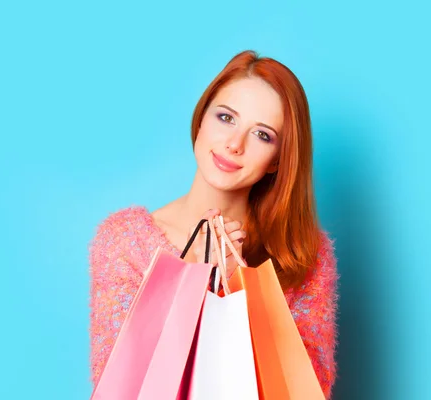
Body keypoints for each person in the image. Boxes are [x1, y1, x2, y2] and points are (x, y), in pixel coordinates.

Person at [88, 50, 339, 399]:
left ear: (277, 161)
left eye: (262, 135)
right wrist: (185, 282)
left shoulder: (303, 252)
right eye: (226, 118)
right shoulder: (124, 241)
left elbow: (311, 389)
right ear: (201, 119)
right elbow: (117, 384)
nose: (234, 144)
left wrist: (246, 288)